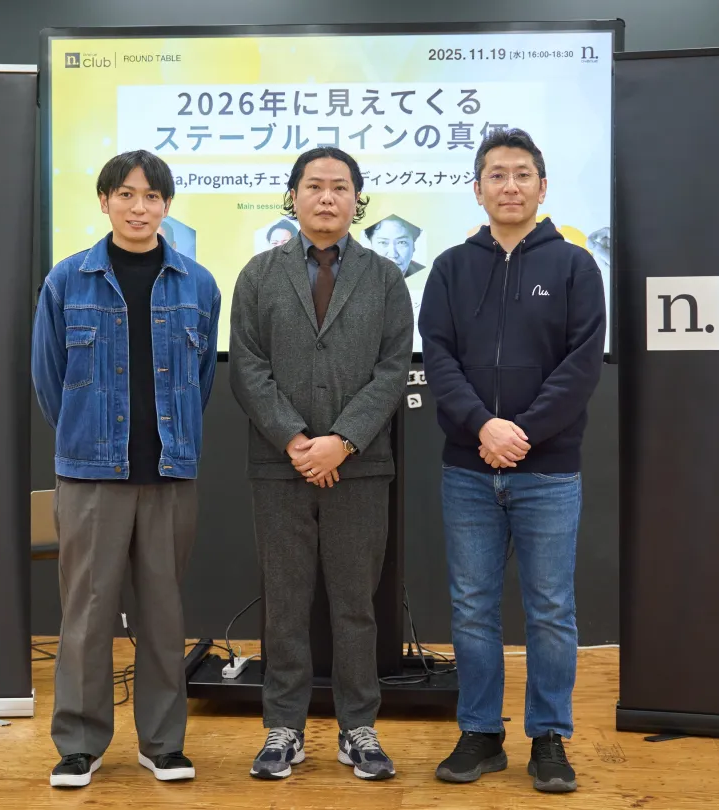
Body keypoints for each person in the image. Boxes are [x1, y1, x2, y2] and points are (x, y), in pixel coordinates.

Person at [418, 128, 606, 794]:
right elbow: (437, 356)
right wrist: (483, 427)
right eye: (496, 175)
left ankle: (549, 737)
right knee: (472, 609)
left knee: (550, 610)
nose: (510, 186)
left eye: (522, 174)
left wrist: (520, 432)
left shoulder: (576, 267)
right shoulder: (450, 267)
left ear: (542, 187)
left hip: (547, 470)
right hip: (468, 469)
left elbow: (582, 365)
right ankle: (481, 733)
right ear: (478, 189)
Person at [31, 149, 221, 789]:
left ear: (166, 205)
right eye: (126, 195)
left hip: (168, 475)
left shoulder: (198, 284)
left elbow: (200, 381)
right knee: (86, 615)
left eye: (152, 196)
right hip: (91, 476)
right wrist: (88, 439)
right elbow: (49, 380)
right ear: (104, 201)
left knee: (164, 615)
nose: (139, 207)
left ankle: (162, 744)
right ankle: (79, 745)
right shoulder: (67, 280)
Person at [229, 146, 414, 781]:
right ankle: (284, 728)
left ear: (357, 200)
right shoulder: (258, 274)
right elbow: (247, 367)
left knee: (355, 605)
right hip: (279, 469)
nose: (327, 197)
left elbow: (393, 370)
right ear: (294, 196)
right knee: (285, 604)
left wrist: (343, 441)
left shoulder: (385, 278)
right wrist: (295, 440)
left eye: (340, 187)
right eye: (314, 186)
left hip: (360, 468)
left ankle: (358, 728)